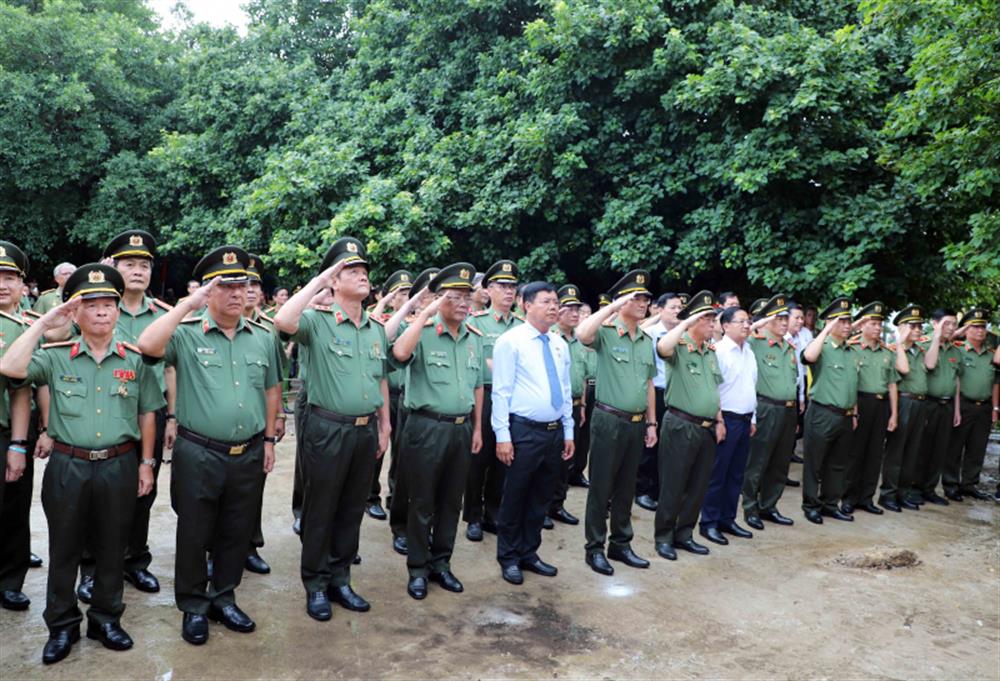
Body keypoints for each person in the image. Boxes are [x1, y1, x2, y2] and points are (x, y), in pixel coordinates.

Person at [2, 264, 162, 664]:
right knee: (65, 549)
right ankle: (62, 625)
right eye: (91, 304)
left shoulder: (136, 359)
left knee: (112, 547)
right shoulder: (55, 357)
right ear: (75, 313)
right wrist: (43, 323)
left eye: (109, 303)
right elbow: (11, 367)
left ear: (118, 311)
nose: (103, 311)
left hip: (119, 464)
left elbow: (146, 413)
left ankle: (106, 618)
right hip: (68, 466)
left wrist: (146, 463)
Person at [138, 246, 281, 646]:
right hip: (199, 451)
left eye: (244, 285)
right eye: (226, 286)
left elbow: (271, 389)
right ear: (208, 292)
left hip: (248, 450)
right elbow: (148, 346)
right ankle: (194, 605)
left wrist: (269, 439)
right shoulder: (185, 334)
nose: (238, 293)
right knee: (195, 531)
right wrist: (189, 303)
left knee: (236, 530)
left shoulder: (263, 337)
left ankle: (224, 596)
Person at [274, 238, 391, 621]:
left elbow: (381, 379)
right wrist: (319, 281)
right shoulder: (318, 322)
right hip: (327, 428)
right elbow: (283, 322)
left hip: (364, 430)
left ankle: (341, 578)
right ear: (334, 282)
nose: (362, 276)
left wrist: (385, 423)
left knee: (351, 508)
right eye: (351, 271)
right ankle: (316, 584)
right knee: (321, 507)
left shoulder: (375, 328)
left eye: (364, 271)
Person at [390, 263, 484, 600]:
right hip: (425, 427)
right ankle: (417, 568)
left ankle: (441, 564)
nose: (463, 303)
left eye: (467, 297)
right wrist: (424, 312)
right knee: (423, 501)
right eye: (455, 297)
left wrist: (477, 429)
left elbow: (478, 387)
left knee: (451, 502)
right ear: (439, 299)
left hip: (460, 430)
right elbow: (399, 353)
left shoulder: (474, 338)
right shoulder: (424, 332)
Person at [491, 282, 574, 584]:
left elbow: (564, 390)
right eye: (546, 302)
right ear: (526, 305)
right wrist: (502, 435)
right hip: (523, 430)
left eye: (556, 302)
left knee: (541, 496)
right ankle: (509, 556)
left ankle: (529, 552)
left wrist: (568, 430)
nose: (554, 307)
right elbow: (500, 391)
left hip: (553, 433)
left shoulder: (559, 343)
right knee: (516, 495)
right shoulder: (510, 341)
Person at [575, 271, 657, 576]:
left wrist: (652, 424)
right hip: (609, 419)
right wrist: (610, 307)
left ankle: (621, 543)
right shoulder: (607, 333)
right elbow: (582, 335)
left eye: (646, 298)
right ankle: (594, 547)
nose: (643, 302)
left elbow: (648, 383)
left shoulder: (645, 339)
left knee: (626, 487)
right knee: (601, 486)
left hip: (636, 424)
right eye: (636, 297)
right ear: (622, 301)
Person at [653, 291, 724, 559]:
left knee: (697, 485)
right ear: (694, 320)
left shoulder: (710, 351)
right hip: (681, 424)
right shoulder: (679, 344)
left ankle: (684, 534)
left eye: (712, 318)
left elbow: (713, 389)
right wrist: (685, 322)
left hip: (706, 427)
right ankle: (664, 537)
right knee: (674, 483)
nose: (712, 323)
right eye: (707, 318)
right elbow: (662, 349)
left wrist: (719, 419)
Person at [464, 259, 522, 542]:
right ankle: (473, 515)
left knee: (505, 458)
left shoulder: (523, 326)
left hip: (513, 400)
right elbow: (473, 364)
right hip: (484, 396)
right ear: (488, 290)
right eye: (502, 286)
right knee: (479, 457)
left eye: (512, 286)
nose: (508, 291)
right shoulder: (475, 323)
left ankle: (493, 512)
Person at [383, 267, 440, 556]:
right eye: (430, 294)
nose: (436, 300)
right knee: (404, 467)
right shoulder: (409, 325)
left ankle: (426, 528)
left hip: (439, 411)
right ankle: (401, 525)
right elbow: (391, 345)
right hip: (410, 402)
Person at [242, 254, 288, 575]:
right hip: (227, 421)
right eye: (242, 283)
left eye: (255, 284)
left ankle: (249, 545)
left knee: (254, 486)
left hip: (259, 421)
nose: (249, 290)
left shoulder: (269, 329)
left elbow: (277, 376)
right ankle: (216, 549)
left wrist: (281, 412)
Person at [0, 241, 38, 612]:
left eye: (9, 277)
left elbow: (23, 390)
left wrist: (18, 443)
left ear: (23, 285)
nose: (2, 284)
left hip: (7, 432)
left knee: (13, 509)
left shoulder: (27, 329)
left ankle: (10, 580)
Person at [699, 305, 757, 546]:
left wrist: (752, 419)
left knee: (736, 474)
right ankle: (709, 522)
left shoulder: (749, 352)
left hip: (744, 420)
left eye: (748, 321)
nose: (747, 325)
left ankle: (727, 518)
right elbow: (712, 390)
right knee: (717, 474)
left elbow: (751, 387)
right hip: (726, 420)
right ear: (725, 326)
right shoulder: (718, 352)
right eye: (741, 321)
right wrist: (719, 420)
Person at [800, 297, 860, 524]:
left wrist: (853, 412)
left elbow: (852, 385)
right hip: (822, 413)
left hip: (845, 416)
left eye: (848, 321)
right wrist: (824, 331)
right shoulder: (821, 346)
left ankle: (830, 504)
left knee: (837, 464)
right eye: (841, 321)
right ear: (829, 322)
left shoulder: (851, 351)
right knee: (815, 462)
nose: (847, 325)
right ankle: (811, 505)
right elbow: (808, 357)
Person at [842, 302, 904, 516]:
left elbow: (892, 384)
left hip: (881, 405)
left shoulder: (887, 352)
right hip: (860, 402)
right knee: (855, 453)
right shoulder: (852, 348)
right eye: (874, 323)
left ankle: (866, 498)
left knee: (875, 454)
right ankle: (848, 498)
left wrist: (894, 414)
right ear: (863, 325)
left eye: (880, 324)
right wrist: (853, 410)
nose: (878, 328)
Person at [743, 294, 799, 530]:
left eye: (786, 317)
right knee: (759, 460)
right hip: (766, 407)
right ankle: (750, 507)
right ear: (767, 320)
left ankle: (769, 505)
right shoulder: (755, 342)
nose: (784, 322)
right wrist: (760, 322)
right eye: (779, 318)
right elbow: (738, 336)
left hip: (788, 409)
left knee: (780, 461)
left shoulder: (789, 346)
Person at [365, 269, 412, 521]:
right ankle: (370, 496)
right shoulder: (382, 322)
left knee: (402, 451)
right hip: (384, 394)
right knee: (378, 447)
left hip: (406, 396)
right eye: (400, 293)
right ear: (389, 298)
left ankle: (396, 494)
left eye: (408, 292)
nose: (405, 297)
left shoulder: (419, 323)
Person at [547, 285, 591, 526]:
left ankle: (557, 504)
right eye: (569, 309)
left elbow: (581, 376)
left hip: (574, 406)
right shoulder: (551, 338)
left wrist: (582, 405)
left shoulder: (579, 341)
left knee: (567, 459)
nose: (575, 313)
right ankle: (543, 506)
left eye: (577, 309)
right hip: (554, 408)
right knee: (550, 460)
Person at [635, 292, 682, 511]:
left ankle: (664, 490)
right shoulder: (649, 333)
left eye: (679, 307)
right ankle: (644, 490)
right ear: (659, 309)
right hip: (658, 393)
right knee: (652, 445)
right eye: (671, 307)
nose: (676, 311)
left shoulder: (685, 334)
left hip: (679, 396)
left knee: (673, 447)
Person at [943, 308, 996, 501]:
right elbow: (942, 341)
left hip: (984, 406)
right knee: (955, 447)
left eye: (983, 327)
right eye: (975, 327)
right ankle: (950, 484)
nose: (980, 331)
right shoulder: (957, 349)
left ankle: (969, 484)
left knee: (977, 447)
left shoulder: (990, 354)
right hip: (963, 405)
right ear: (966, 329)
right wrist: (959, 331)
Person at [880, 305, 928, 511]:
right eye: (912, 326)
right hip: (903, 402)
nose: (917, 330)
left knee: (912, 451)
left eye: (919, 326)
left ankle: (903, 492)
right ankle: (888, 494)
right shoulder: (892, 350)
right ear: (901, 328)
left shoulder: (920, 351)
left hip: (919, 403)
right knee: (896, 451)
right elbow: (904, 369)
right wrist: (900, 342)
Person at [918, 308, 961, 504]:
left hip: (947, 405)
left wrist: (957, 409)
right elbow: (929, 365)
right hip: (929, 404)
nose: (951, 328)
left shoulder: (955, 350)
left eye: (954, 324)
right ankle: (914, 488)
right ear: (935, 323)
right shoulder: (923, 344)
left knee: (939, 450)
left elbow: (956, 380)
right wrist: (936, 337)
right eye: (946, 324)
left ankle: (929, 489)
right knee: (922, 448)